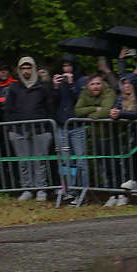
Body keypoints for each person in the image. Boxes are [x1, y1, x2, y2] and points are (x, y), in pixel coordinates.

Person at [0, 55, 60, 201]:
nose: (26, 70)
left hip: (40, 130)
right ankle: (27, 189)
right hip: (19, 131)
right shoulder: (14, 87)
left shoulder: (42, 86)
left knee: (40, 162)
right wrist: (12, 128)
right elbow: (9, 110)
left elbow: (50, 107)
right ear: (19, 70)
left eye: (28, 67)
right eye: (23, 68)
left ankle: (41, 189)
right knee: (24, 162)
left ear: (34, 68)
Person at [70, 71, 117, 199]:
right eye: (92, 84)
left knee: (113, 165)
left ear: (102, 84)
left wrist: (91, 116)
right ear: (88, 86)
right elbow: (77, 111)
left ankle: (117, 193)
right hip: (95, 136)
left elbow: (107, 110)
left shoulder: (109, 92)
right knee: (100, 166)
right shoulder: (85, 93)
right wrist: (95, 109)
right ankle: (108, 194)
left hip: (111, 135)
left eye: (98, 84)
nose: (96, 86)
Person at [51, 56, 87, 201]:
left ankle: (83, 191)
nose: (66, 69)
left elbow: (82, 101)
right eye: (64, 66)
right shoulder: (58, 83)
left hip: (77, 126)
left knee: (81, 161)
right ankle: (70, 191)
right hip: (61, 126)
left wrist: (72, 85)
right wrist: (55, 87)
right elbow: (51, 103)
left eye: (69, 66)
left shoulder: (81, 81)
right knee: (66, 162)